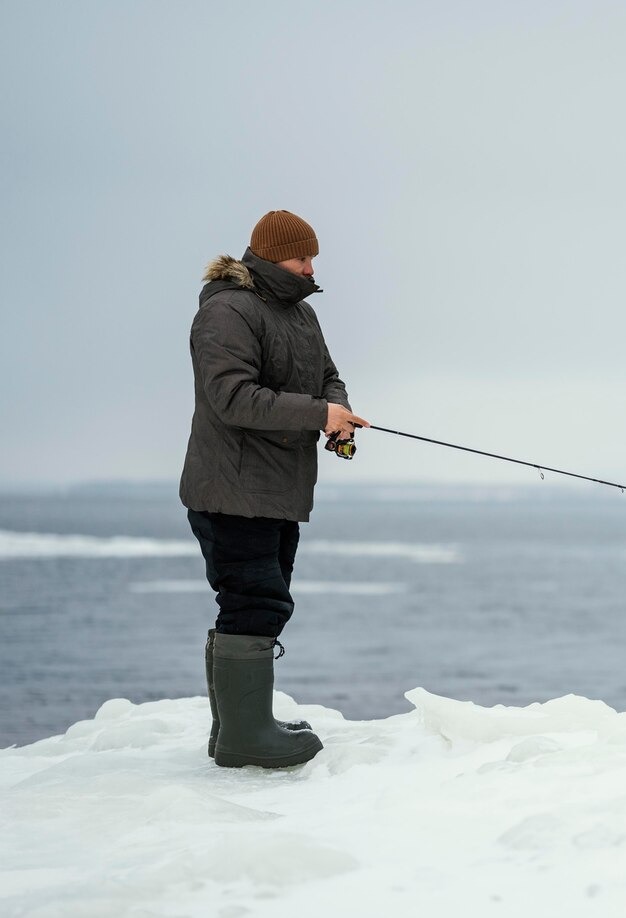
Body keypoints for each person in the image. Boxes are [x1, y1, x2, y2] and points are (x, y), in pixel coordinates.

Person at [180, 210, 368, 768]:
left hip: (277, 490)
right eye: (301, 257)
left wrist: (335, 410)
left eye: (313, 258)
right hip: (231, 491)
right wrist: (318, 412)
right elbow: (232, 398)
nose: (310, 268)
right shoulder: (226, 312)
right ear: (266, 255)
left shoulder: (301, 313)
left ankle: (236, 726)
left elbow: (329, 375)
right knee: (255, 602)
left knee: (258, 601)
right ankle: (244, 738)